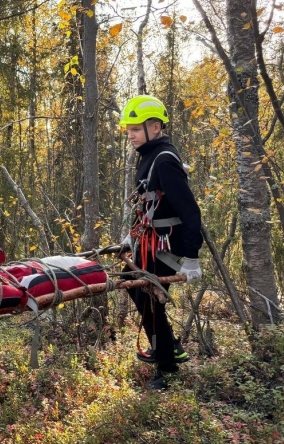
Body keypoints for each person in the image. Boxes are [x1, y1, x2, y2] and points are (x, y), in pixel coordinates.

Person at [120, 95, 203, 391]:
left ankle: (166, 368)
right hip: (150, 240)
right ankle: (168, 346)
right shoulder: (149, 156)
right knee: (132, 282)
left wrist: (192, 257)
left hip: (166, 246)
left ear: (155, 127)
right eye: (128, 130)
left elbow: (190, 211)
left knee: (152, 300)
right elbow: (148, 203)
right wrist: (131, 235)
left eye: (135, 129)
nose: (130, 135)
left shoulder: (164, 159)